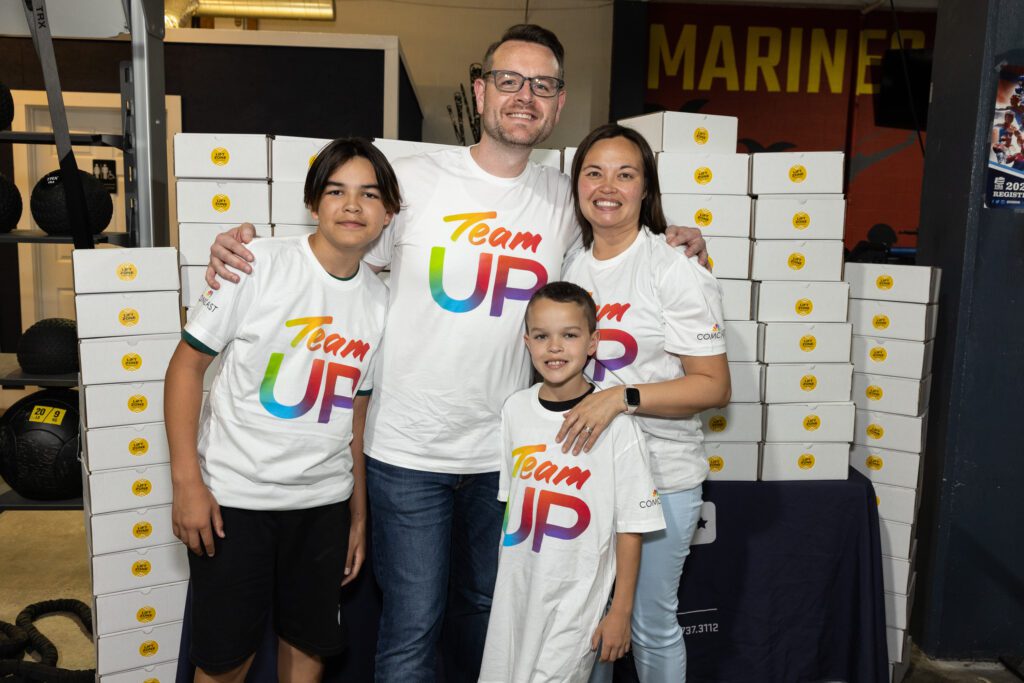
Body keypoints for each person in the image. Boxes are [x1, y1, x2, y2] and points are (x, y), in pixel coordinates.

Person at [204, 25, 709, 682]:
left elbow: (621, 230)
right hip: (407, 453)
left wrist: (681, 238)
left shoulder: (564, 195)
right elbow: (337, 243)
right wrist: (244, 246)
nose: (524, 96)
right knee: (411, 622)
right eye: (509, 80)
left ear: (557, 106)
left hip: (507, 454)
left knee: (487, 613)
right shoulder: (411, 179)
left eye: (543, 85)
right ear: (479, 91)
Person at [164, 137, 399, 683]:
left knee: (309, 651)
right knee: (224, 662)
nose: (352, 205)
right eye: (337, 191)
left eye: (369, 194)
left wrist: (357, 516)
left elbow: (355, 420)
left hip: (322, 506)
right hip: (234, 503)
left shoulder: (382, 303)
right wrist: (187, 484)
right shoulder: (257, 263)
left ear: (388, 213)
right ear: (313, 203)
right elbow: (185, 369)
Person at [558, 123, 731, 682]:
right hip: (584, 474)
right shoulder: (571, 266)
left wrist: (622, 398)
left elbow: (712, 386)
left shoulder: (673, 267)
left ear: (645, 189)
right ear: (578, 184)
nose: (608, 186)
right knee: (588, 622)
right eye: (594, 172)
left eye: (625, 174)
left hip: (663, 477)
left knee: (650, 624)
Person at [478, 282, 666, 683]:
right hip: (515, 600)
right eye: (542, 336)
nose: (555, 347)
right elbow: (513, 506)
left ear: (593, 342)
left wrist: (620, 611)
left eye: (569, 335)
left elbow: (631, 524)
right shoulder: (515, 409)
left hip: (576, 603)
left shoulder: (616, 425)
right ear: (526, 342)